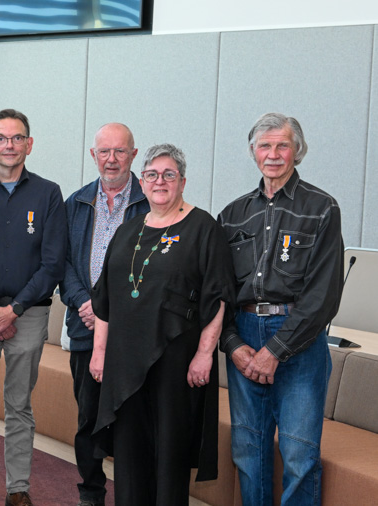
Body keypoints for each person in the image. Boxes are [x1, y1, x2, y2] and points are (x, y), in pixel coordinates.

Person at [89, 144, 234, 505]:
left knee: (169, 451)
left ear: (182, 181)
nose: (160, 182)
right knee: (129, 452)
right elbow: (104, 299)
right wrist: (99, 352)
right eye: (152, 175)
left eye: (169, 175)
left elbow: (218, 296)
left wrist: (205, 354)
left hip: (176, 360)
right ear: (141, 182)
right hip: (125, 361)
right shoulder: (128, 230)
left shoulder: (204, 228)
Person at [218, 113, 344, 505]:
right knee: (248, 450)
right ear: (253, 152)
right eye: (265, 146)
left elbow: (323, 296)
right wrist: (233, 344)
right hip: (243, 335)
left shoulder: (322, 208)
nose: (273, 154)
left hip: (299, 340)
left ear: (297, 151)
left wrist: (274, 351)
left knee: (299, 453)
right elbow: (218, 292)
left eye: (282, 146)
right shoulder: (232, 215)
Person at [0, 109, 66, 506]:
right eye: (1, 138)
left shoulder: (48, 194)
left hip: (29, 314)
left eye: (17, 138)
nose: (9, 145)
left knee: (19, 405)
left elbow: (53, 263)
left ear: (29, 144)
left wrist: (14, 310)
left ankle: (18, 489)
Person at [60, 123, 148, 506]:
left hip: (133, 335)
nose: (111, 159)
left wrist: (115, 313)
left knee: (133, 421)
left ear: (133, 154)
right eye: (104, 152)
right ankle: (92, 492)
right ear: (93, 155)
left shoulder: (150, 203)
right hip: (85, 328)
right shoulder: (76, 203)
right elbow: (62, 262)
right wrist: (87, 304)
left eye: (120, 151)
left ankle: (133, 493)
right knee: (88, 420)